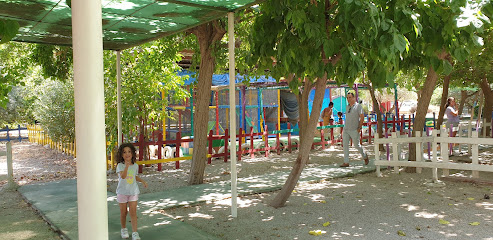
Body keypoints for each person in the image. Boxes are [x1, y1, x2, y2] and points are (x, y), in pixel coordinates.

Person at [116, 143, 148, 240]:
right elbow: (123, 176)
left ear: (133, 154)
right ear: (121, 155)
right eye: (124, 152)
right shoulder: (120, 165)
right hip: (122, 192)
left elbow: (134, 176)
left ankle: (135, 232)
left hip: (133, 192)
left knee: (133, 212)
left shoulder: (135, 166)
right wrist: (126, 166)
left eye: (129, 152)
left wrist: (142, 181)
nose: (127, 154)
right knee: (124, 212)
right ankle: (124, 229)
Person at [340, 91, 369, 167]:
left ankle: (365, 155)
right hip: (346, 129)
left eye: (350, 97)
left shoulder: (358, 106)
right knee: (345, 145)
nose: (348, 99)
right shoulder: (347, 107)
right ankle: (346, 162)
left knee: (357, 145)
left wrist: (359, 127)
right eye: (347, 98)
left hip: (354, 129)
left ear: (353, 98)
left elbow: (362, 117)